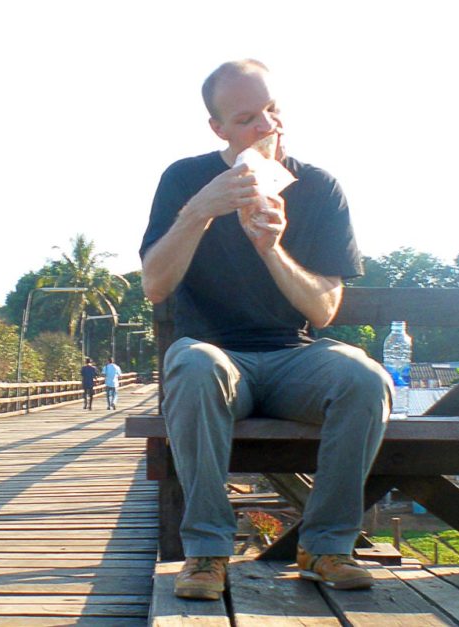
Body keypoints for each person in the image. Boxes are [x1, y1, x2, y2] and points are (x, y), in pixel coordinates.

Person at [140, 59, 391, 599]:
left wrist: (271, 249)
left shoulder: (319, 187)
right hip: (216, 358)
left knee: (365, 379)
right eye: (249, 117)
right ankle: (206, 554)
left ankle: (326, 547)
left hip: (293, 356)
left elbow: (323, 311)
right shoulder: (184, 178)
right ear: (219, 129)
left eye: (274, 111)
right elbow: (155, 286)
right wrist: (198, 213)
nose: (267, 127)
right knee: (191, 362)